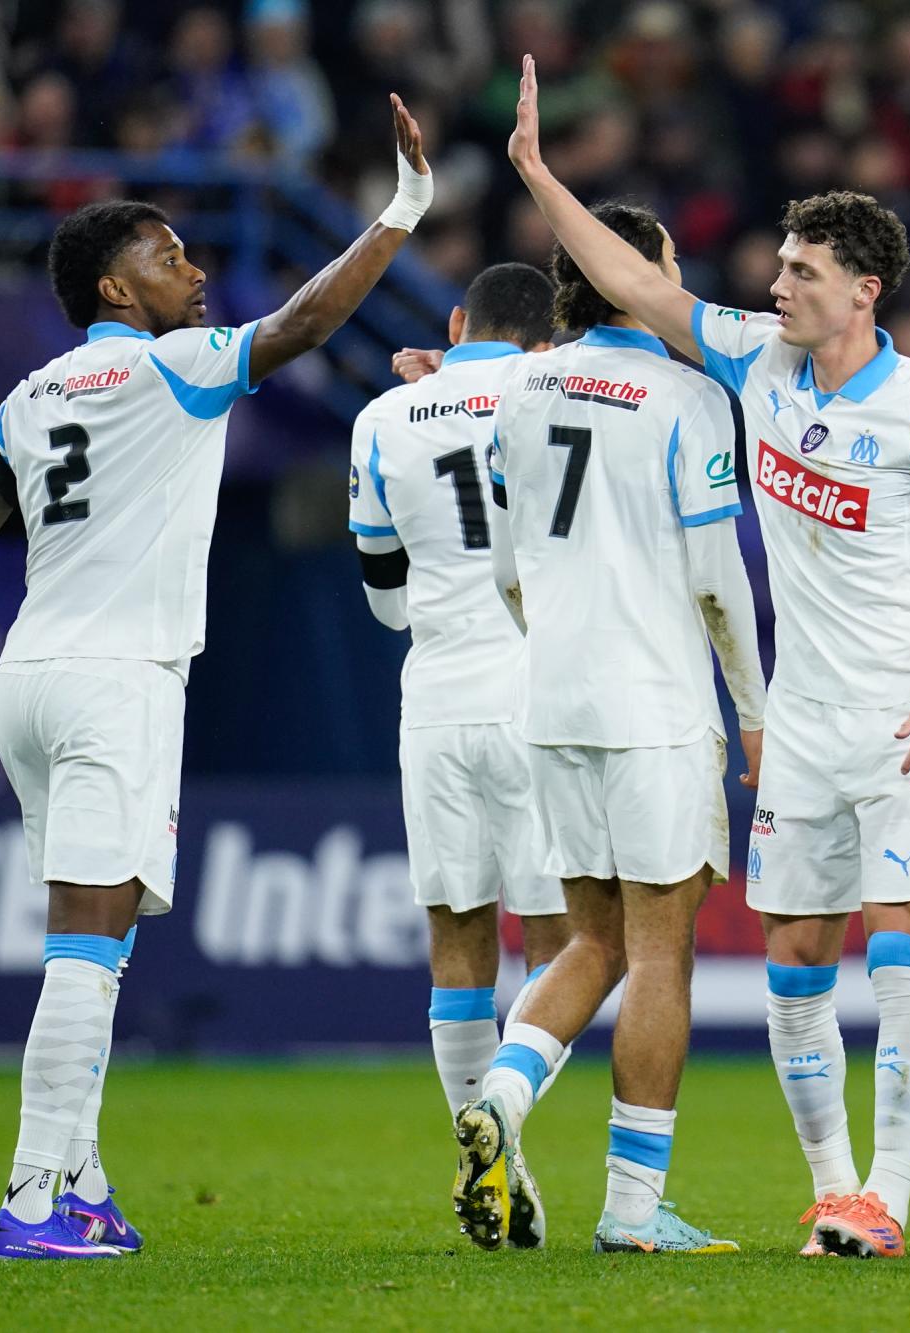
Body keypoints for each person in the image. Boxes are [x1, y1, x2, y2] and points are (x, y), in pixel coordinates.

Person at [0, 95, 436, 1261]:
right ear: (118, 291)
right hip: (118, 680)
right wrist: (406, 207)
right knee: (86, 947)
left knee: (92, 944)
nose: (195, 269)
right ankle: (28, 1199)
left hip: (28, 681)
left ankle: (89, 1186)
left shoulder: (31, 397)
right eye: (168, 256)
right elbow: (305, 325)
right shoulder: (177, 368)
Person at [502, 56, 910, 1259]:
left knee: (897, 941)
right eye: (778, 265)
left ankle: (884, 1197)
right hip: (800, 719)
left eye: (802, 271)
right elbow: (631, 278)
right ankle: (831, 1188)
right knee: (795, 954)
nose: (774, 283)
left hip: (908, 717)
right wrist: (537, 173)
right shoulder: (754, 360)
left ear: (864, 291)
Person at [450, 200, 768, 1257]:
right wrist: (754, 713)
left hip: (550, 696)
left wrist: (549, 643)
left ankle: (500, 1090)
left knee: (590, 940)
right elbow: (718, 583)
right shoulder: (688, 397)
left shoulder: (518, 388)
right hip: (652, 704)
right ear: (642, 275)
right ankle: (633, 1212)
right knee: (657, 953)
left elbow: (501, 566)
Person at [348, 261, 571, 1247]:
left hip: (432, 693)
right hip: (537, 687)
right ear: (544, 337)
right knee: (568, 946)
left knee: (456, 945)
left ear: (453, 320)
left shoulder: (382, 418)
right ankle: (506, 1126)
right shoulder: (553, 390)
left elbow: (381, 592)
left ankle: (493, 1168)